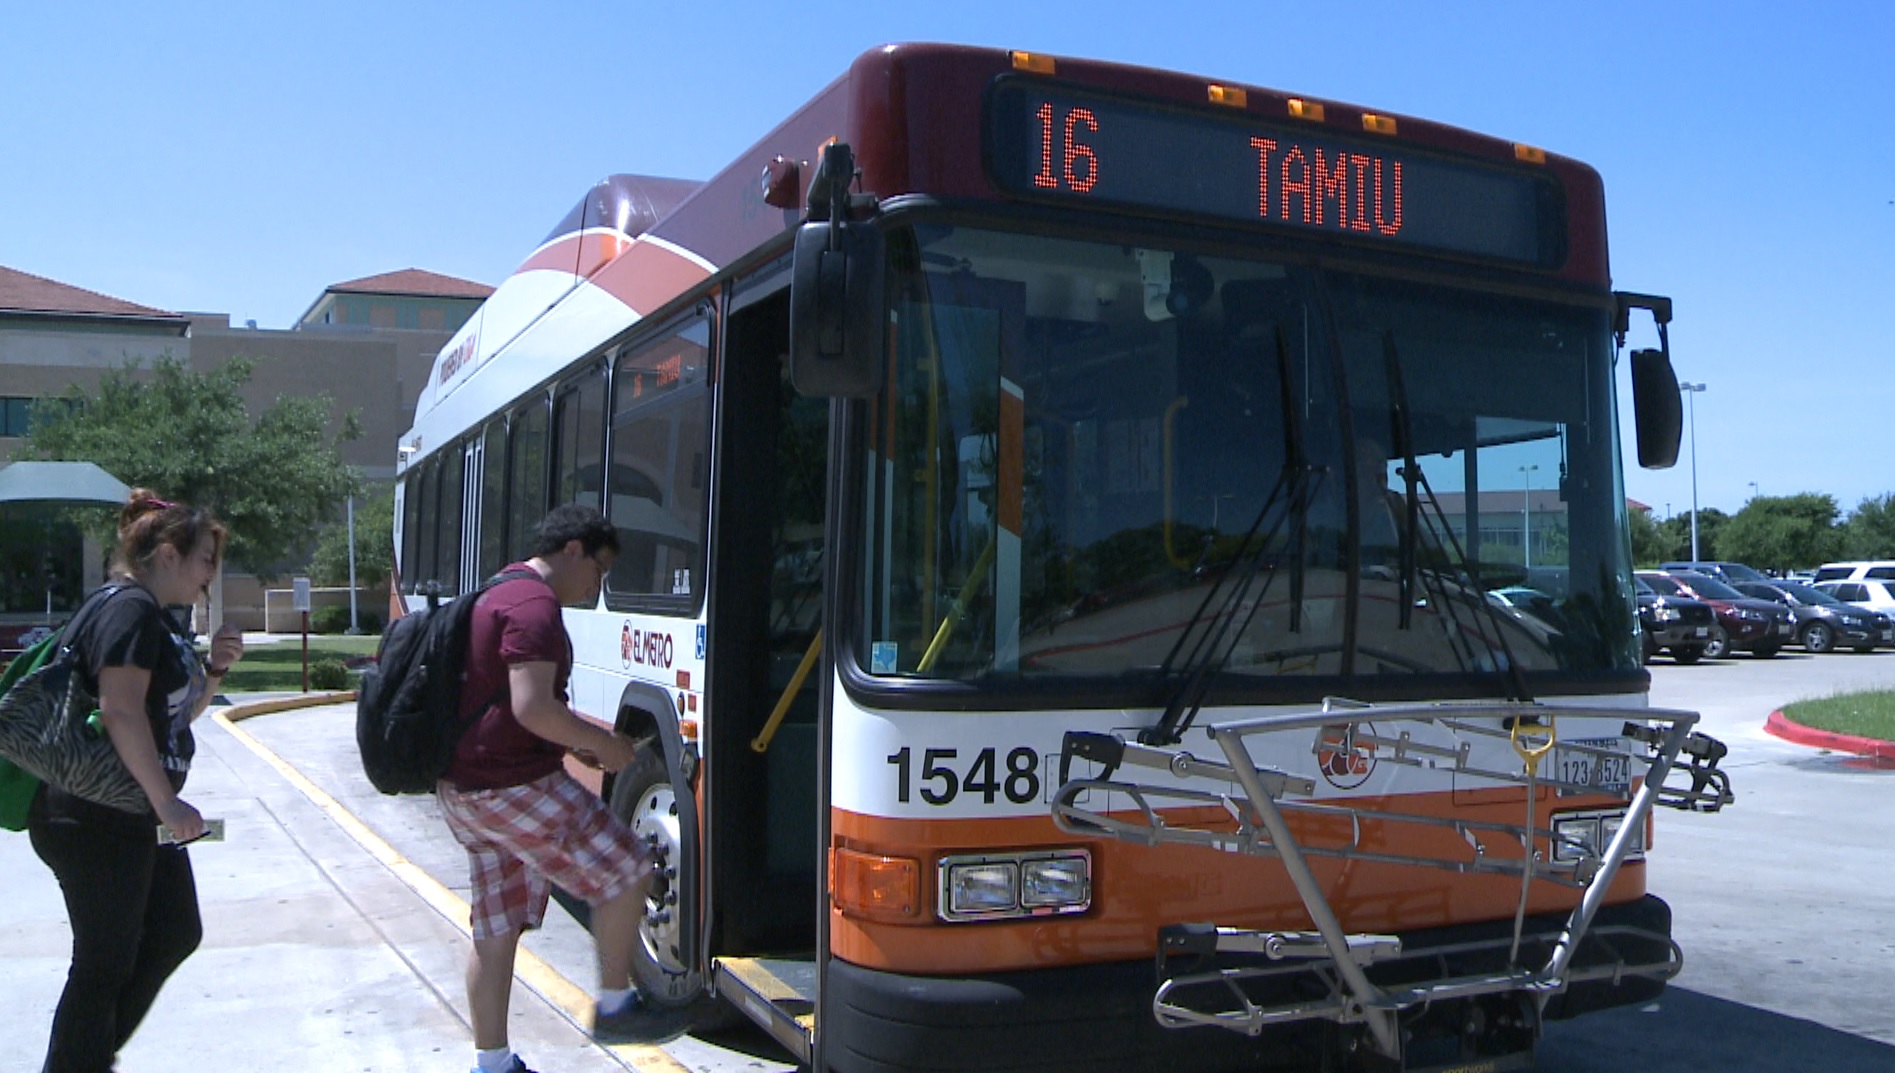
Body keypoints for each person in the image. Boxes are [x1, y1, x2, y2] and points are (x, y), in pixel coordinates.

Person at [27, 490, 244, 1073]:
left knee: (175, 929)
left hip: (127, 813)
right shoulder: (127, 609)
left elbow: (172, 719)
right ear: (168, 555)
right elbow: (119, 710)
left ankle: (87, 1057)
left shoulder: (149, 616)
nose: (209, 576)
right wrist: (167, 802)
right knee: (103, 964)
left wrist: (216, 671)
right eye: (204, 560)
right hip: (95, 814)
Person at [437, 503, 659, 1073]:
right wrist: (602, 745)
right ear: (573, 550)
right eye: (599, 571)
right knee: (629, 868)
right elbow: (532, 706)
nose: (596, 585)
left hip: (463, 790)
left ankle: (492, 1065)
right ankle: (616, 1004)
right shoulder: (536, 607)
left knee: (496, 924)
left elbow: (502, 705)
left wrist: (573, 743)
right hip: (508, 784)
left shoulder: (499, 590)